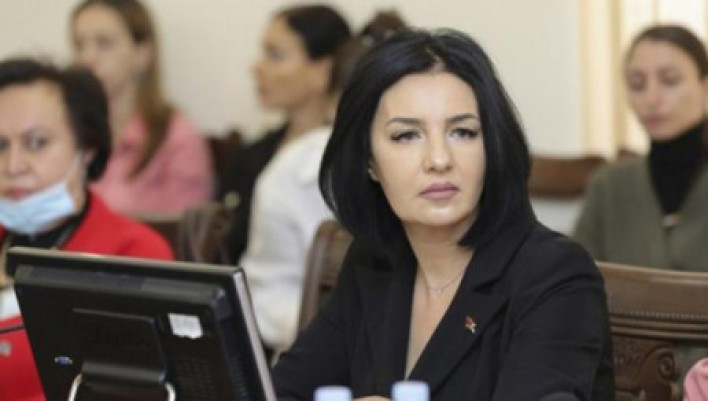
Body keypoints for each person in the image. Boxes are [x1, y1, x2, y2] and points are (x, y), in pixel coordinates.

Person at [274, 29, 614, 400]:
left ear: (491, 146)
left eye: (462, 132)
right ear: (369, 161)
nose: (439, 160)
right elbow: (282, 392)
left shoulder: (555, 275)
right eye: (407, 135)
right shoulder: (374, 262)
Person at [0, 58, 173, 401]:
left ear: (87, 149)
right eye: (0, 146)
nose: (13, 165)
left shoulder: (134, 255)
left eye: (37, 143)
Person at [241, 11, 406, 355]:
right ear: (333, 105)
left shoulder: (439, 169)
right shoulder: (292, 171)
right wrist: (330, 331)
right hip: (314, 355)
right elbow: (265, 293)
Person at [220, 5, 351, 264]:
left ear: (323, 70)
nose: (256, 67)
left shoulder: (345, 161)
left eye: (275, 55)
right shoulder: (250, 156)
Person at [574, 25, 708, 271]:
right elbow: (573, 280)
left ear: (704, 87)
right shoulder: (607, 186)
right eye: (637, 84)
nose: (651, 98)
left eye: (670, 80)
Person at [71, 0, 212, 214]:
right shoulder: (67, 133)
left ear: (142, 53)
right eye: (79, 45)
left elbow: (184, 230)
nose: (87, 58)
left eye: (104, 43)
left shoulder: (177, 138)